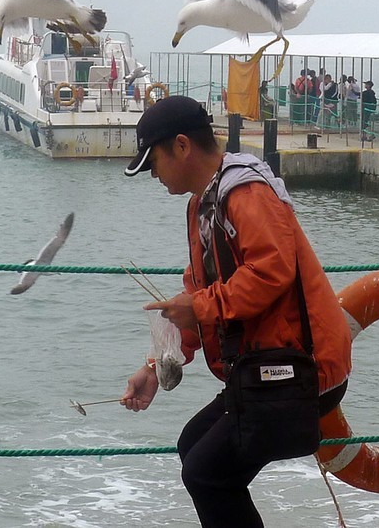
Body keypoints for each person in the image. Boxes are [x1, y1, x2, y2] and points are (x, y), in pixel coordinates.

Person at [120, 96, 352, 528]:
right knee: (194, 448)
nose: (152, 174)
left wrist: (201, 306)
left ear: (183, 146)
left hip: (303, 369)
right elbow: (198, 291)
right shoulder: (203, 204)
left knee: (206, 473)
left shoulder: (245, 193)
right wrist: (157, 365)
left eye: (153, 161)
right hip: (261, 367)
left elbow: (271, 271)